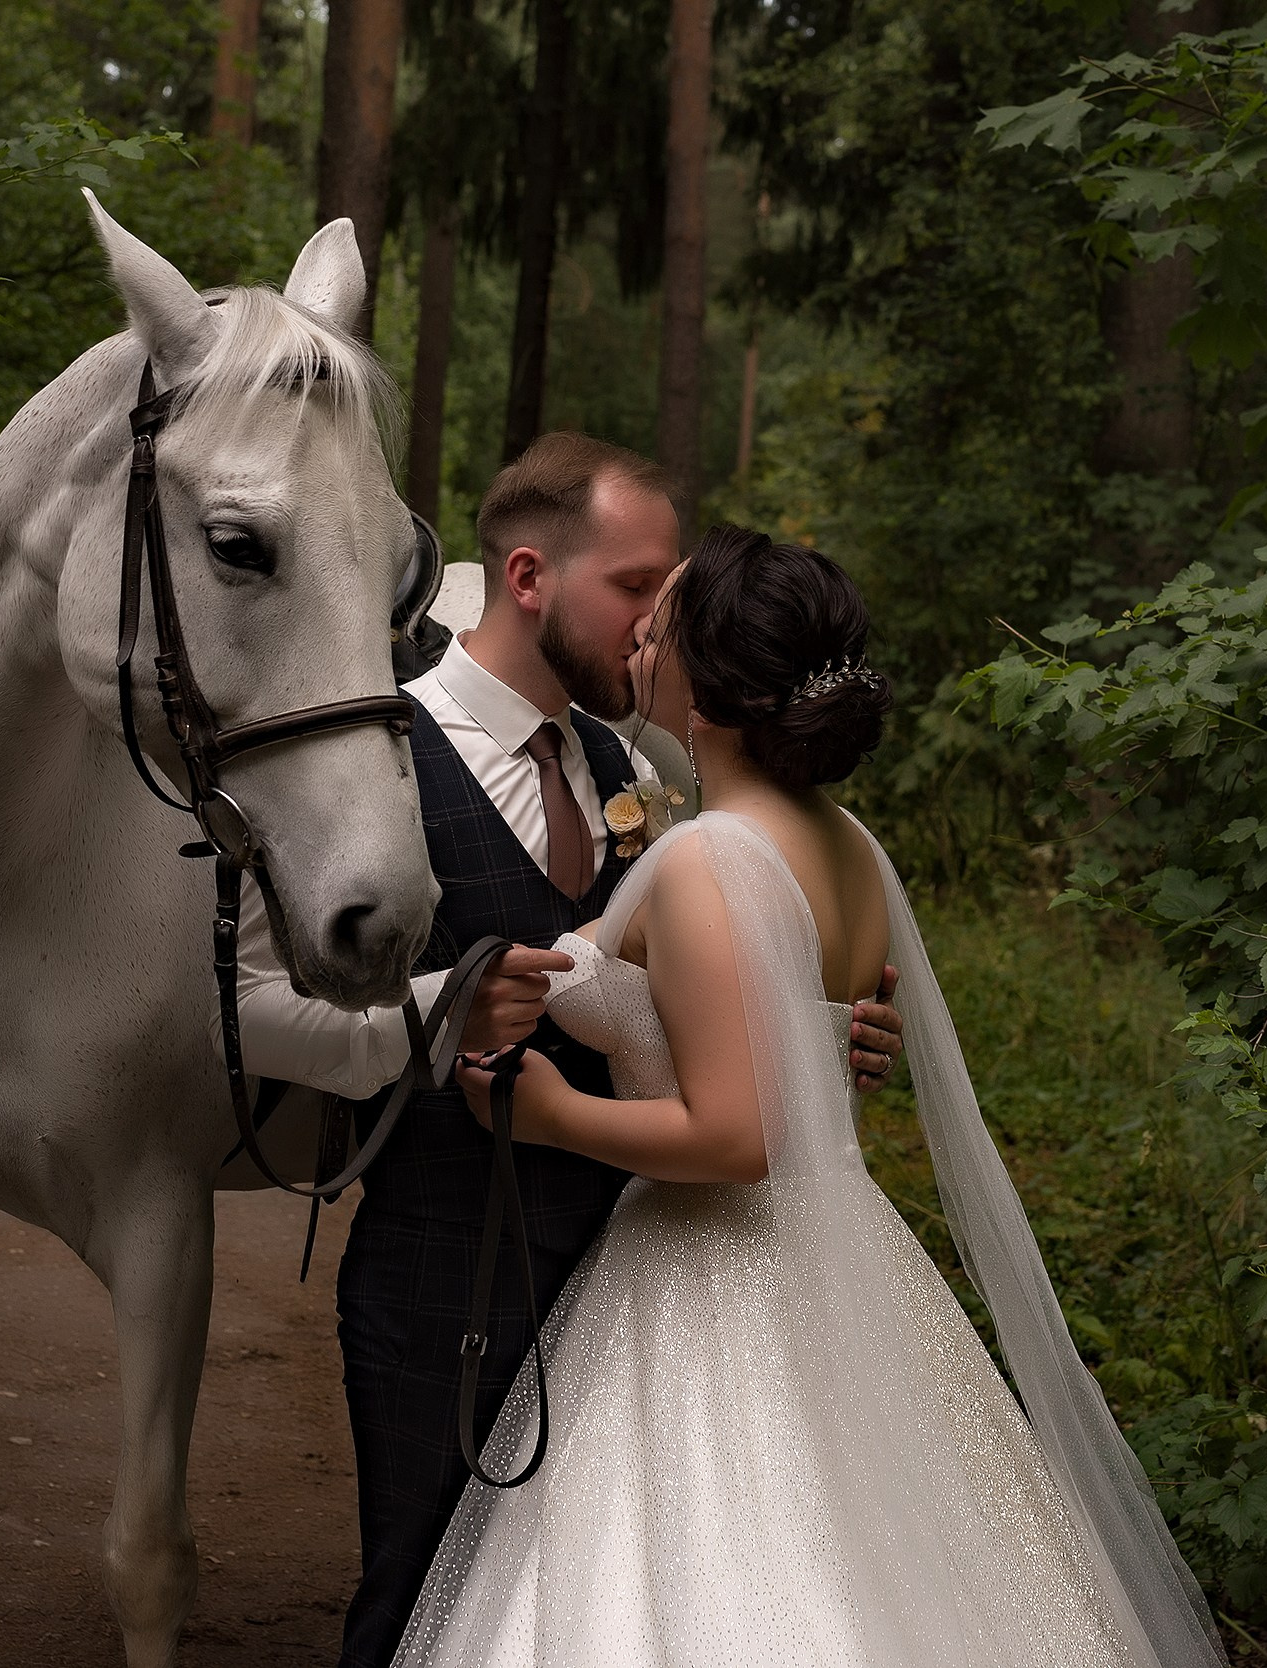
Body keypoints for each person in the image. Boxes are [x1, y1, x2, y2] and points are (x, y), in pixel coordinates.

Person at [393, 527, 1229, 1668]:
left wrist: (547, 1115)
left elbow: (736, 1136)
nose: (642, 633)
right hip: (844, 1261)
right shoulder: (848, 849)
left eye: (665, 621)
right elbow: (784, 1052)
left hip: (706, 1276)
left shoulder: (706, 862)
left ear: (715, 694)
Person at [219, 437, 910, 1668]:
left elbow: (721, 1003)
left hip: (651, 1282)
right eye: (638, 588)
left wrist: (810, 1039)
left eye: (669, 599)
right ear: (529, 577)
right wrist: (434, 1019)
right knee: (427, 1602)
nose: (658, 624)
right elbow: (250, 1010)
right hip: (453, 1270)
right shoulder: (367, 760)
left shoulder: (634, 771)